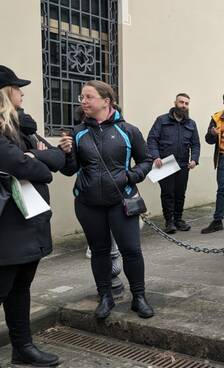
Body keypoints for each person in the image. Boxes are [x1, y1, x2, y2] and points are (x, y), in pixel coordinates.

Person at [59, 80, 155, 320]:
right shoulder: (78, 132)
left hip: (122, 200)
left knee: (131, 250)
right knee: (99, 251)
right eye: (82, 97)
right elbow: (70, 170)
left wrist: (129, 177)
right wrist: (68, 154)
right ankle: (105, 297)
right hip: (88, 203)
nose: (83, 101)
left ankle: (139, 297)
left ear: (106, 101)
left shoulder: (128, 130)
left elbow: (146, 160)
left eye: (89, 97)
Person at [0, 65, 62, 366]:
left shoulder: (22, 128)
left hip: (28, 223)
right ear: (4, 93)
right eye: (17, 87)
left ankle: (22, 348)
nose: (22, 92)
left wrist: (33, 155)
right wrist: (34, 160)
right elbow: (26, 168)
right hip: (6, 228)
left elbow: (57, 158)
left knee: (20, 288)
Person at [147, 93, 200, 234]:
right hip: (165, 162)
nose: (184, 105)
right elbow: (152, 139)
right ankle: (169, 221)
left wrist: (194, 159)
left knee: (180, 193)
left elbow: (196, 144)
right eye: (181, 102)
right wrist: (155, 156)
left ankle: (178, 219)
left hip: (183, 164)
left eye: (186, 103)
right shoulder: (162, 120)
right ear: (175, 103)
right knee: (167, 193)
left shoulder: (191, 124)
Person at [201, 91, 224, 234]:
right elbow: (208, 140)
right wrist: (211, 134)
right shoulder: (216, 117)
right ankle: (218, 221)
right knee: (222, 189)